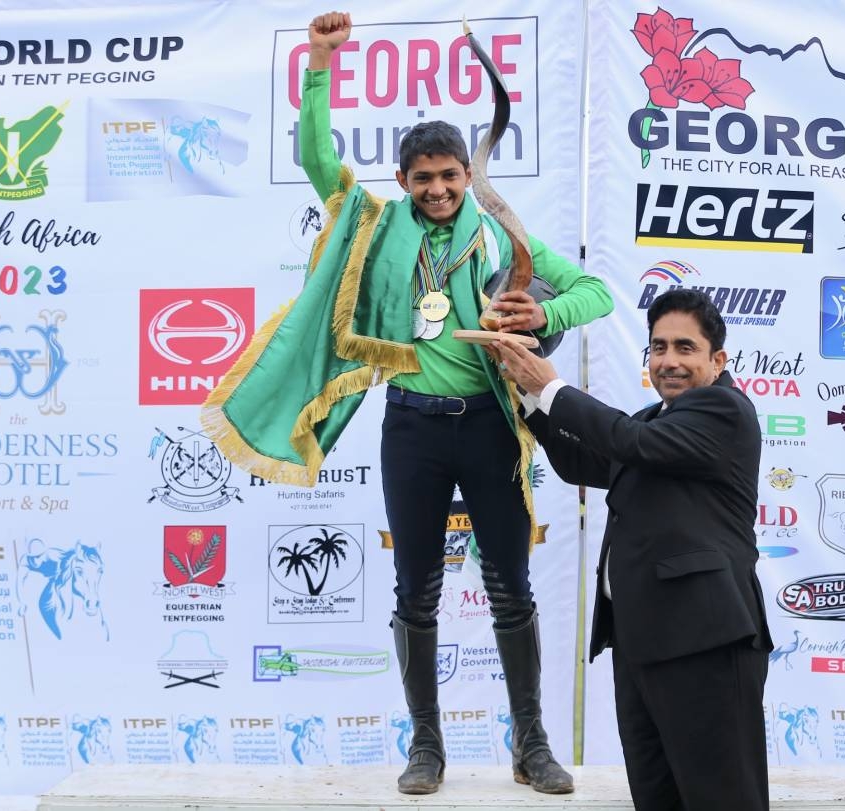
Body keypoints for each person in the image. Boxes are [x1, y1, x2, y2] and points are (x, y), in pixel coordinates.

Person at [201, 10, 613, 796]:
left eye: (450, 175)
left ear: (466, 174)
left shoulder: (503, 238)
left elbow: (597, 291)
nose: (438, 189)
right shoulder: (376, 227)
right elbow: (317, 158)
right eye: (423, 178)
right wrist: (319, 64)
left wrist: (541, 311)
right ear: (403, 182)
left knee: (510, 586)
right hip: (413, 431)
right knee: (416, 589)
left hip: (491, 428)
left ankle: (531, 744)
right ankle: (426, 745)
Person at [493, 288, 772, 811]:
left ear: (718, 360)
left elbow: (626, 442)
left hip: (705, 644)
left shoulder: (724, 410)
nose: (668, 360)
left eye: (685, 347)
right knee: (655, 798)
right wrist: (526, 393)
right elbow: (581, 462)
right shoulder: (654, 421)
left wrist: (551, 386)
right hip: (643, 644)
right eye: (658, 347)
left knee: (722, 799)